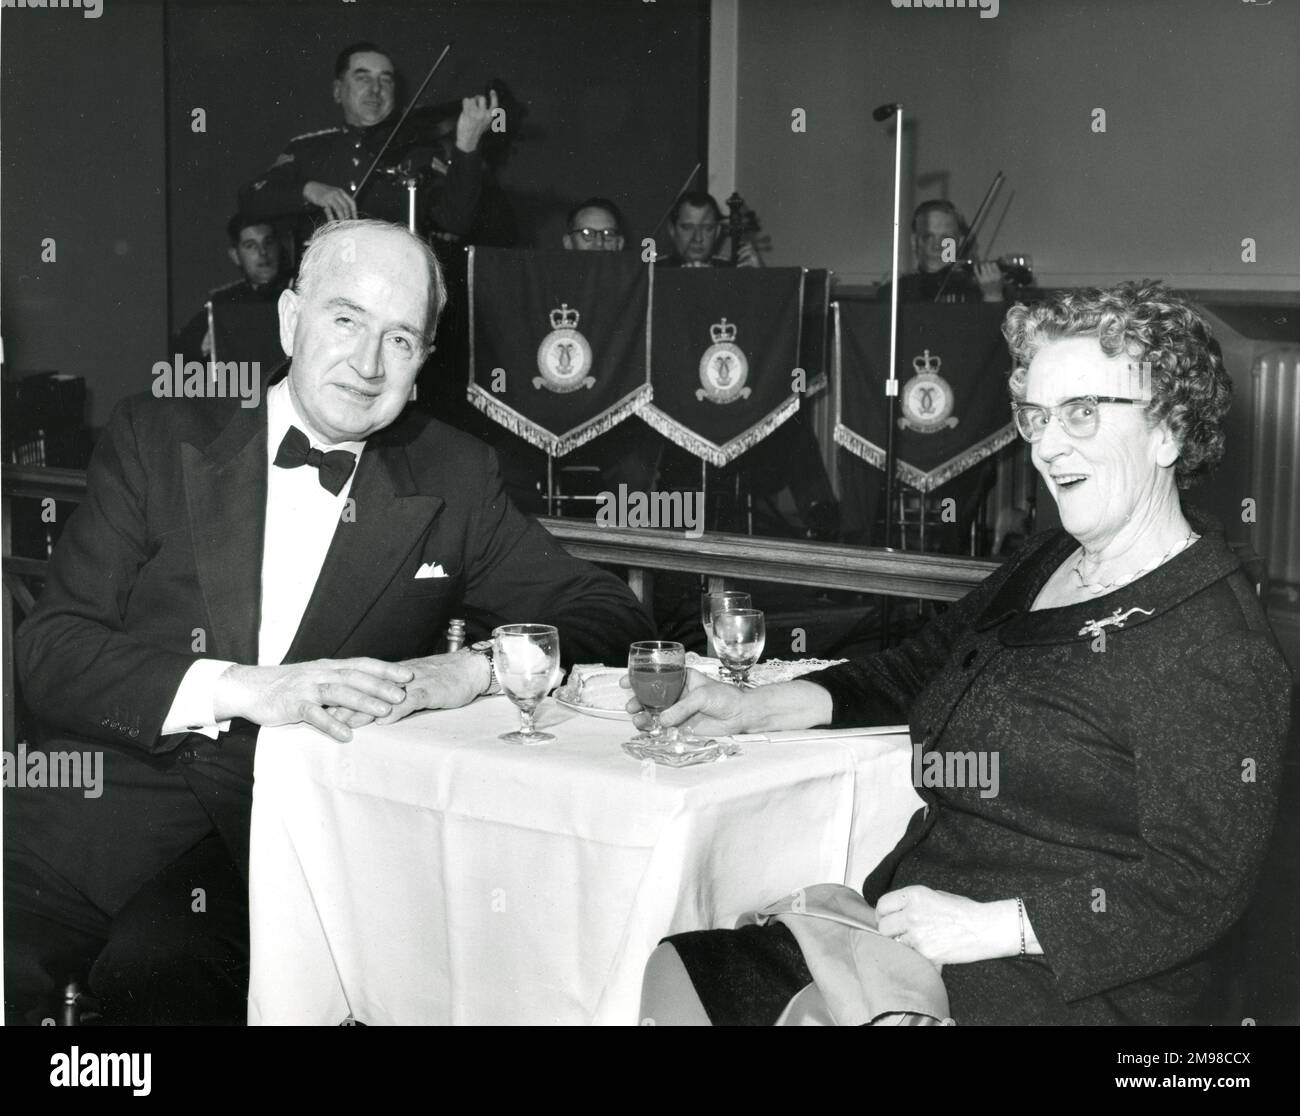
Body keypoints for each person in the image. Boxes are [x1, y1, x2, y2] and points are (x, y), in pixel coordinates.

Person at [4, 219, 655, 1027]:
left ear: (423, 363)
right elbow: (52, 649)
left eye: (401, 338)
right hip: (106, 806)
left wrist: (469, 670)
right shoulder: (158, 433)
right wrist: (245, 688)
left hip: (291, 832)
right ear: (289, 321)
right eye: (346, 319)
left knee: (159, 973)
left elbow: (607, 613)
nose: (369, 362)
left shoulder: (454, 475)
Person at [633, 280, 1293, 1025]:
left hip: (1064, 982)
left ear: (1169, 430)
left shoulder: (1214, 641)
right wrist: (750, 705)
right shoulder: (1046, 561)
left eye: (1081, 412)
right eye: (1036, 415)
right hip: (916, 932)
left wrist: (997, 925)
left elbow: (1198, 887)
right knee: (682, 973)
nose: (1046, 444)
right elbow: (919, 667)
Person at [237, 42, 494, 245]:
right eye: (363, 78)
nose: (375, 89)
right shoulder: (308, 149)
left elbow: (456, 221)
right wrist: (309, 189)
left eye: (385, 79)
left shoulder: (419, 153)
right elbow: (250, 200)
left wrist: (467, 146)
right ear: (338, 91)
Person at [173, 214, 290, 364]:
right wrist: (204, 345)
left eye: (268, 242)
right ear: (235, 255)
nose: (263, 252)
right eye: (251, 245)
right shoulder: (224, 302)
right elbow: (180, 349)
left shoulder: (298, 292)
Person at [656, 190, 759, 268]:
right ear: (672, 230)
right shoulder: (652, 272)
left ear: (717, 232)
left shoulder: (730, 270)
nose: (698, 238)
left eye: (707, 228)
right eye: (688, 227)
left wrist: (758, 277)